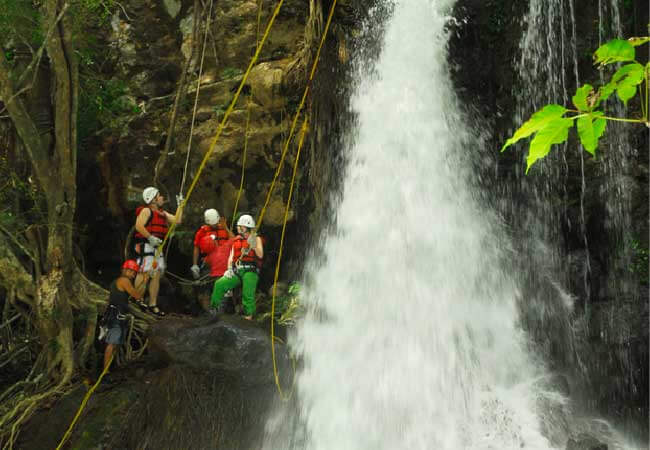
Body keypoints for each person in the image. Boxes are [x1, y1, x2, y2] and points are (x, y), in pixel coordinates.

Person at [133, 186, 183, 316]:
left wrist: (180, 206)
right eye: (159, 195)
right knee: (144, 271)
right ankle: (137, 300)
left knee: (155, 275)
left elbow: (177, 220)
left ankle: (152, 304)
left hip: (157, 248)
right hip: (147, 245)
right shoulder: (146, 211)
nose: (162, 198)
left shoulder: (162, 213)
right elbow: (138, 226)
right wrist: (149, 237)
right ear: (153, 199)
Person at [210, 214, 263, 320]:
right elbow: (231, 256)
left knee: (247, 292)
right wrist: (229, 269)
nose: (238, 228)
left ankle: (248, 316)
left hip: (250, 270)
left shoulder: (256, 239)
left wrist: (253, 246)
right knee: (219, 284)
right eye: (238, 226)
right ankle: (214, 309)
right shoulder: (236, 240)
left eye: (241, 226)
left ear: (247, 228)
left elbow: (260, 254)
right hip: (238, 270)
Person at [102, 260, 148, 371]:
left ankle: (111, 367)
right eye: (131, 271)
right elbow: (137, 295)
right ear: (124, 270)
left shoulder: (116, 282)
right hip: (115, 315)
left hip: (117, 314)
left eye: (134, 273)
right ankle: (105, 371)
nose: (132, 274)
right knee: (112, 343)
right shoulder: (124, 280)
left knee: (116, 343)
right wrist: (144, 282)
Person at [190, 209, 234, 313]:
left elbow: (234, 240)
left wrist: (226, 228)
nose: (214, 226)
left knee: (224, 287)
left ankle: (222, 310)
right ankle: (209, 311)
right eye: (212, 224)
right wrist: (195, 265)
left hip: (223, 264)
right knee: (204, 288)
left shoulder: (223, 228)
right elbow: (196, 247)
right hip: (208, 264)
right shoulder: (202, 231)